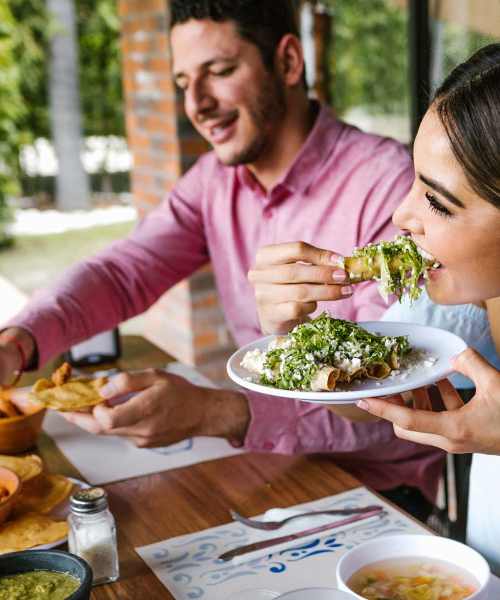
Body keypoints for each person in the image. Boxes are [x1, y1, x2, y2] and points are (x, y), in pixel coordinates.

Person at [0, 1, 442, 520]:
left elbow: (401, 398)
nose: (198, 104)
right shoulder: (214, 181)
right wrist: (20, 339)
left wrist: (219, 412)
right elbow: (124, 273)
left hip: (382, 494)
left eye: (221, 71)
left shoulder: (386, 185)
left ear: (289, 62)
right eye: (184, 81)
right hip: (264, 466)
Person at [254, 44, 500, 571]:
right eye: (415, 182)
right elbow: (370, 399)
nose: (399, 214)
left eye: (437, 201)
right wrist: (298, 341)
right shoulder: (459, 304)